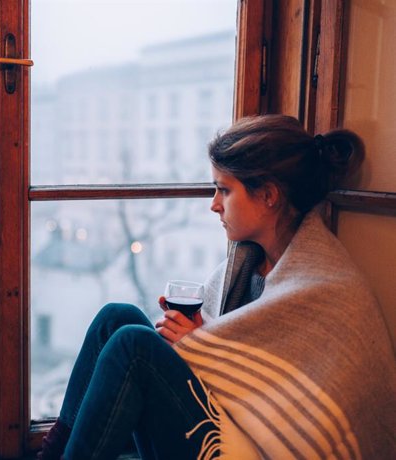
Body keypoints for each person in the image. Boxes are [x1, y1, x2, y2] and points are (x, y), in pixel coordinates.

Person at [36, 115, 396, 459]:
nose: (214, 205)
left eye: (224, 189)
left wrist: (198, 344)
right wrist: (199, 340)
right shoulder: (247, 264)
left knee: (134, 345)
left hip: (257, 445)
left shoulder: (327, 288)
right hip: (224, 421)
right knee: (116, 319)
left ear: (269, 195)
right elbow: (234, 357)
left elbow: (292, 407)